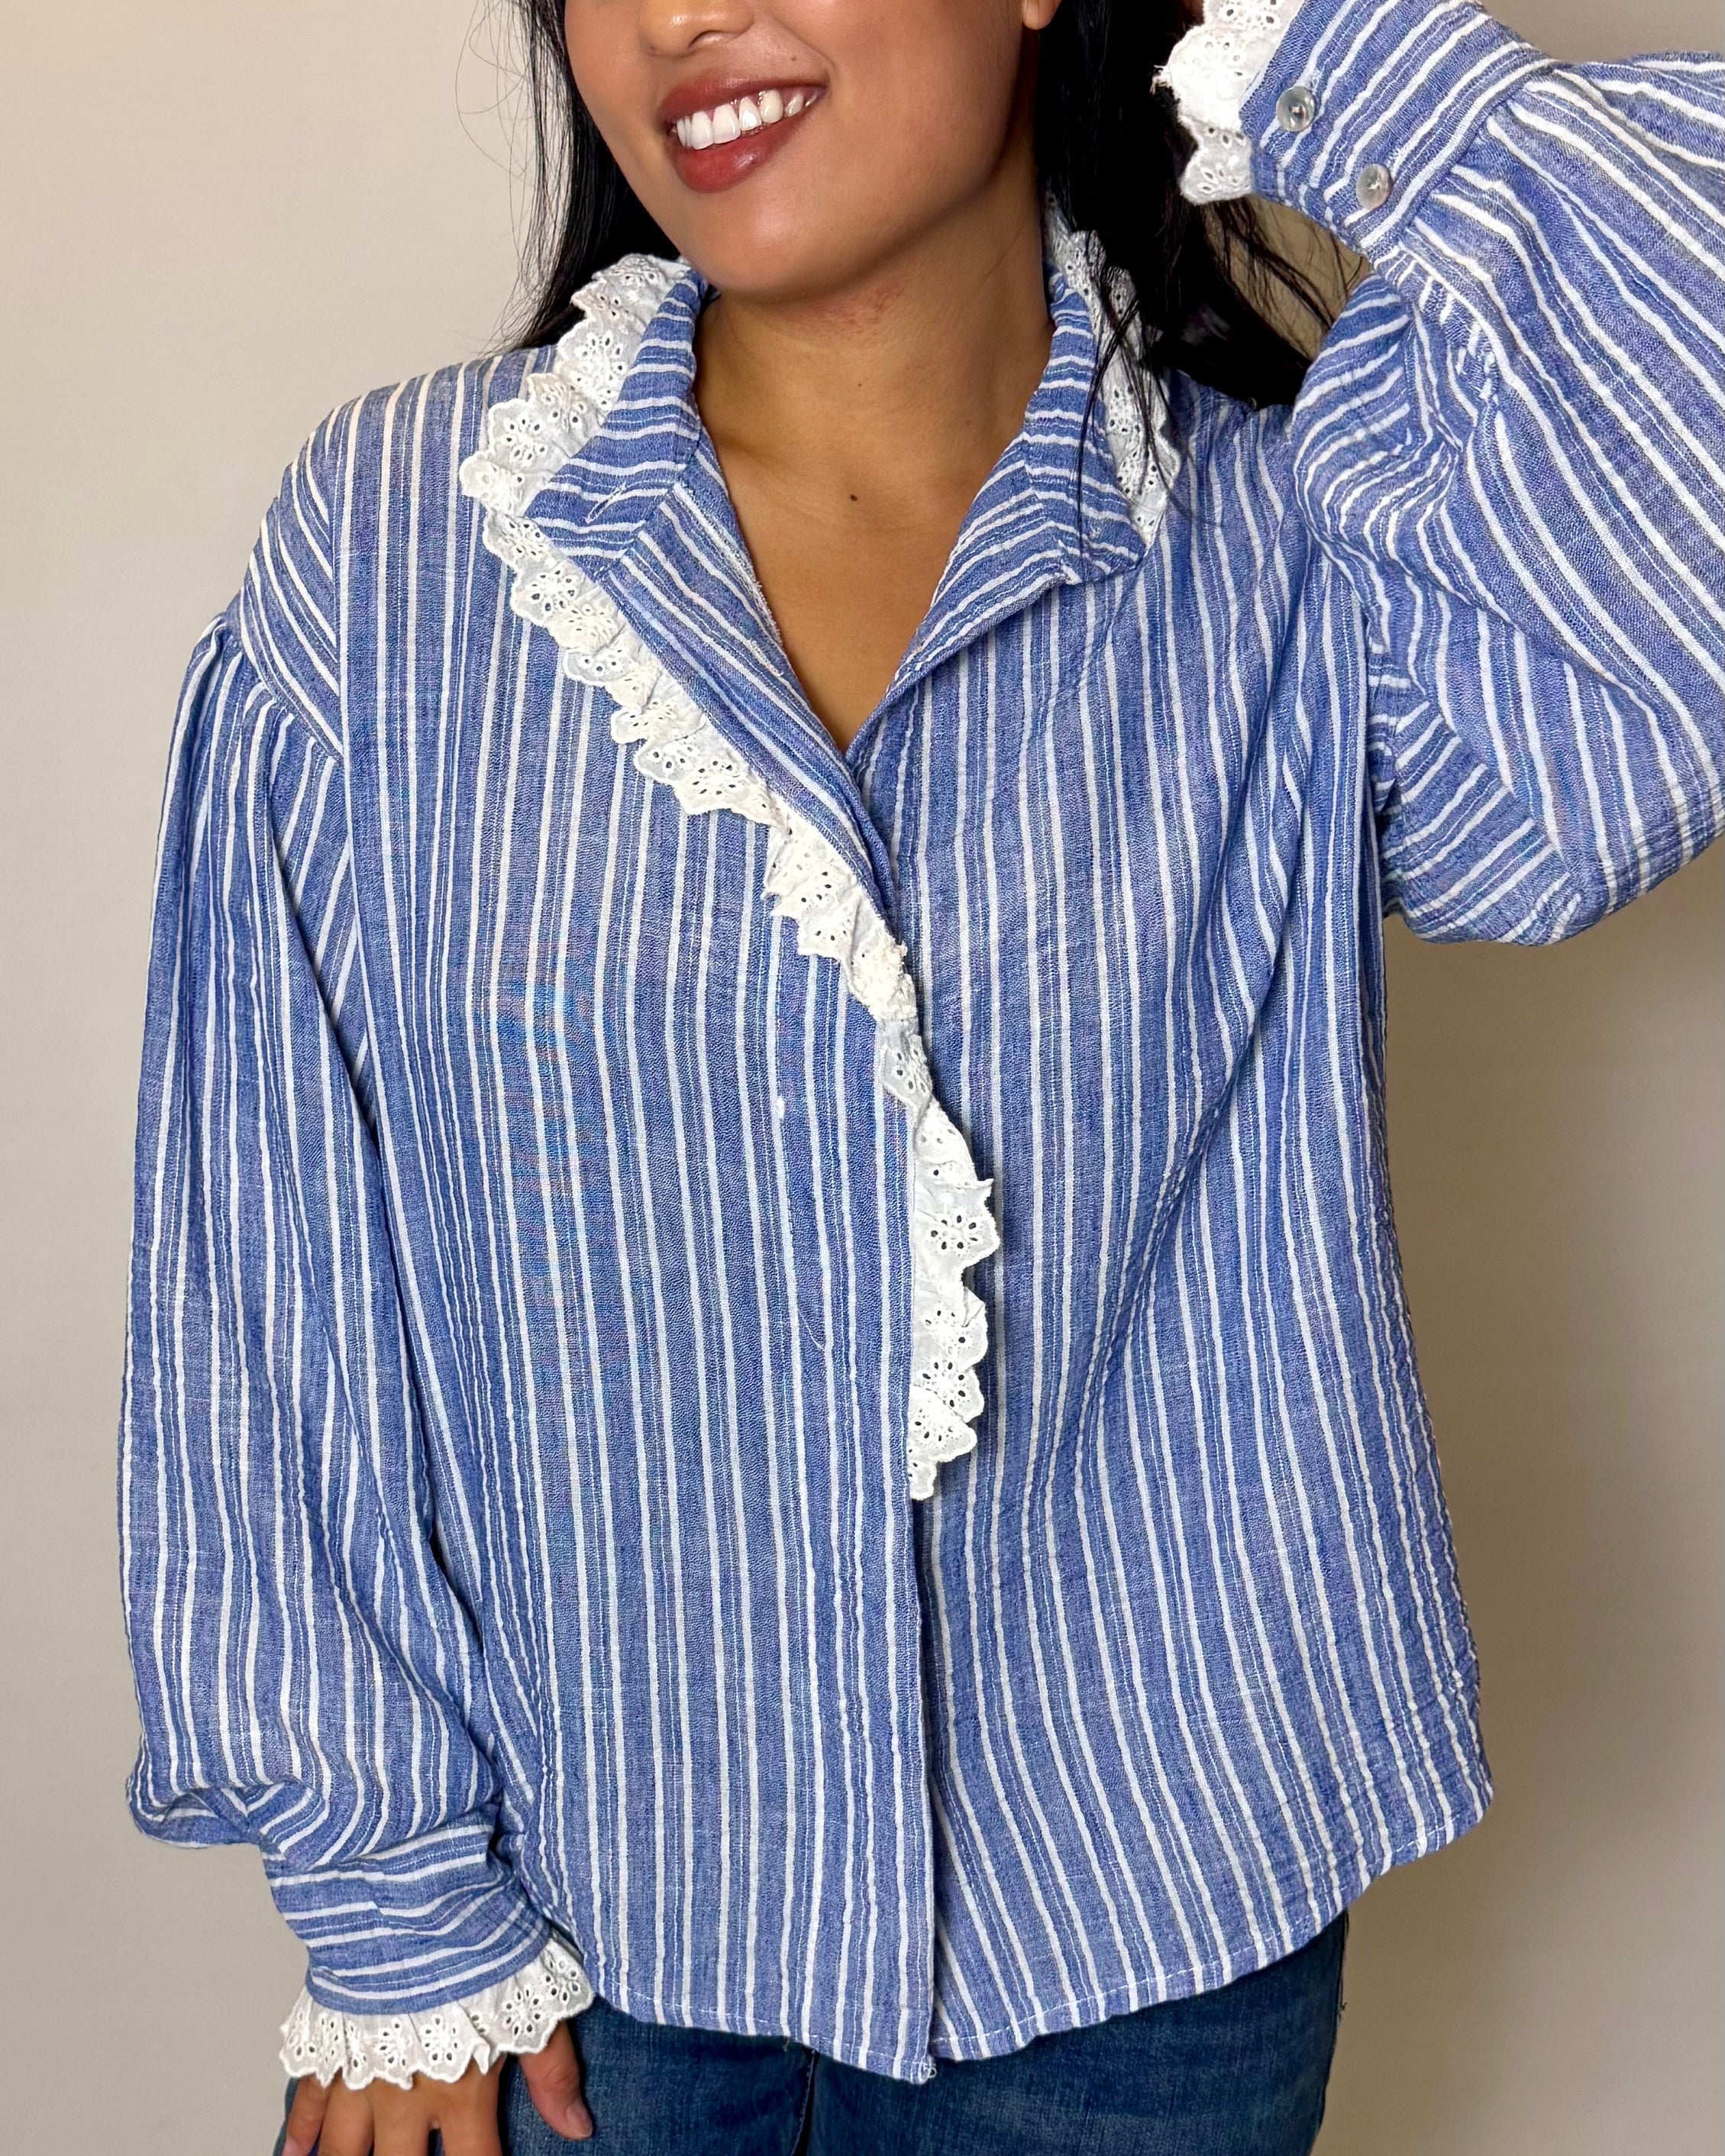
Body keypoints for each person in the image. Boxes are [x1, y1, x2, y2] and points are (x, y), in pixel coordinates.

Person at [116, 0, 1723, 2148]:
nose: (680, 16)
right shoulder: (402, 549)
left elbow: (1638, 555)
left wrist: (1323, 54)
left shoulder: (1302, 554)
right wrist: (392, 1913)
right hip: (583, 1953)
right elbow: (264, 1268)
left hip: (1152, 1926)